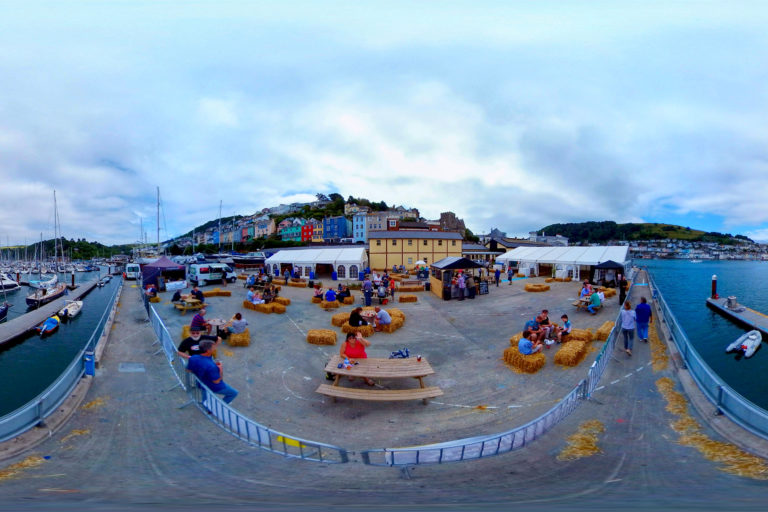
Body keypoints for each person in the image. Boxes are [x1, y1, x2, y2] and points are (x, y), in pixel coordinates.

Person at [186, 339, 238, 404]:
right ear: (208, 351)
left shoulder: (193, 358)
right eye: (213, 347)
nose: (215, 348)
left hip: (201, 383)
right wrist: (220, 369)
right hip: (212, 386)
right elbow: (217, 381)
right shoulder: (211, 367)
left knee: (205, 398)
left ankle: (206, 406)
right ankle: (219, 406)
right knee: (233, 393)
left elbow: (188, 370)